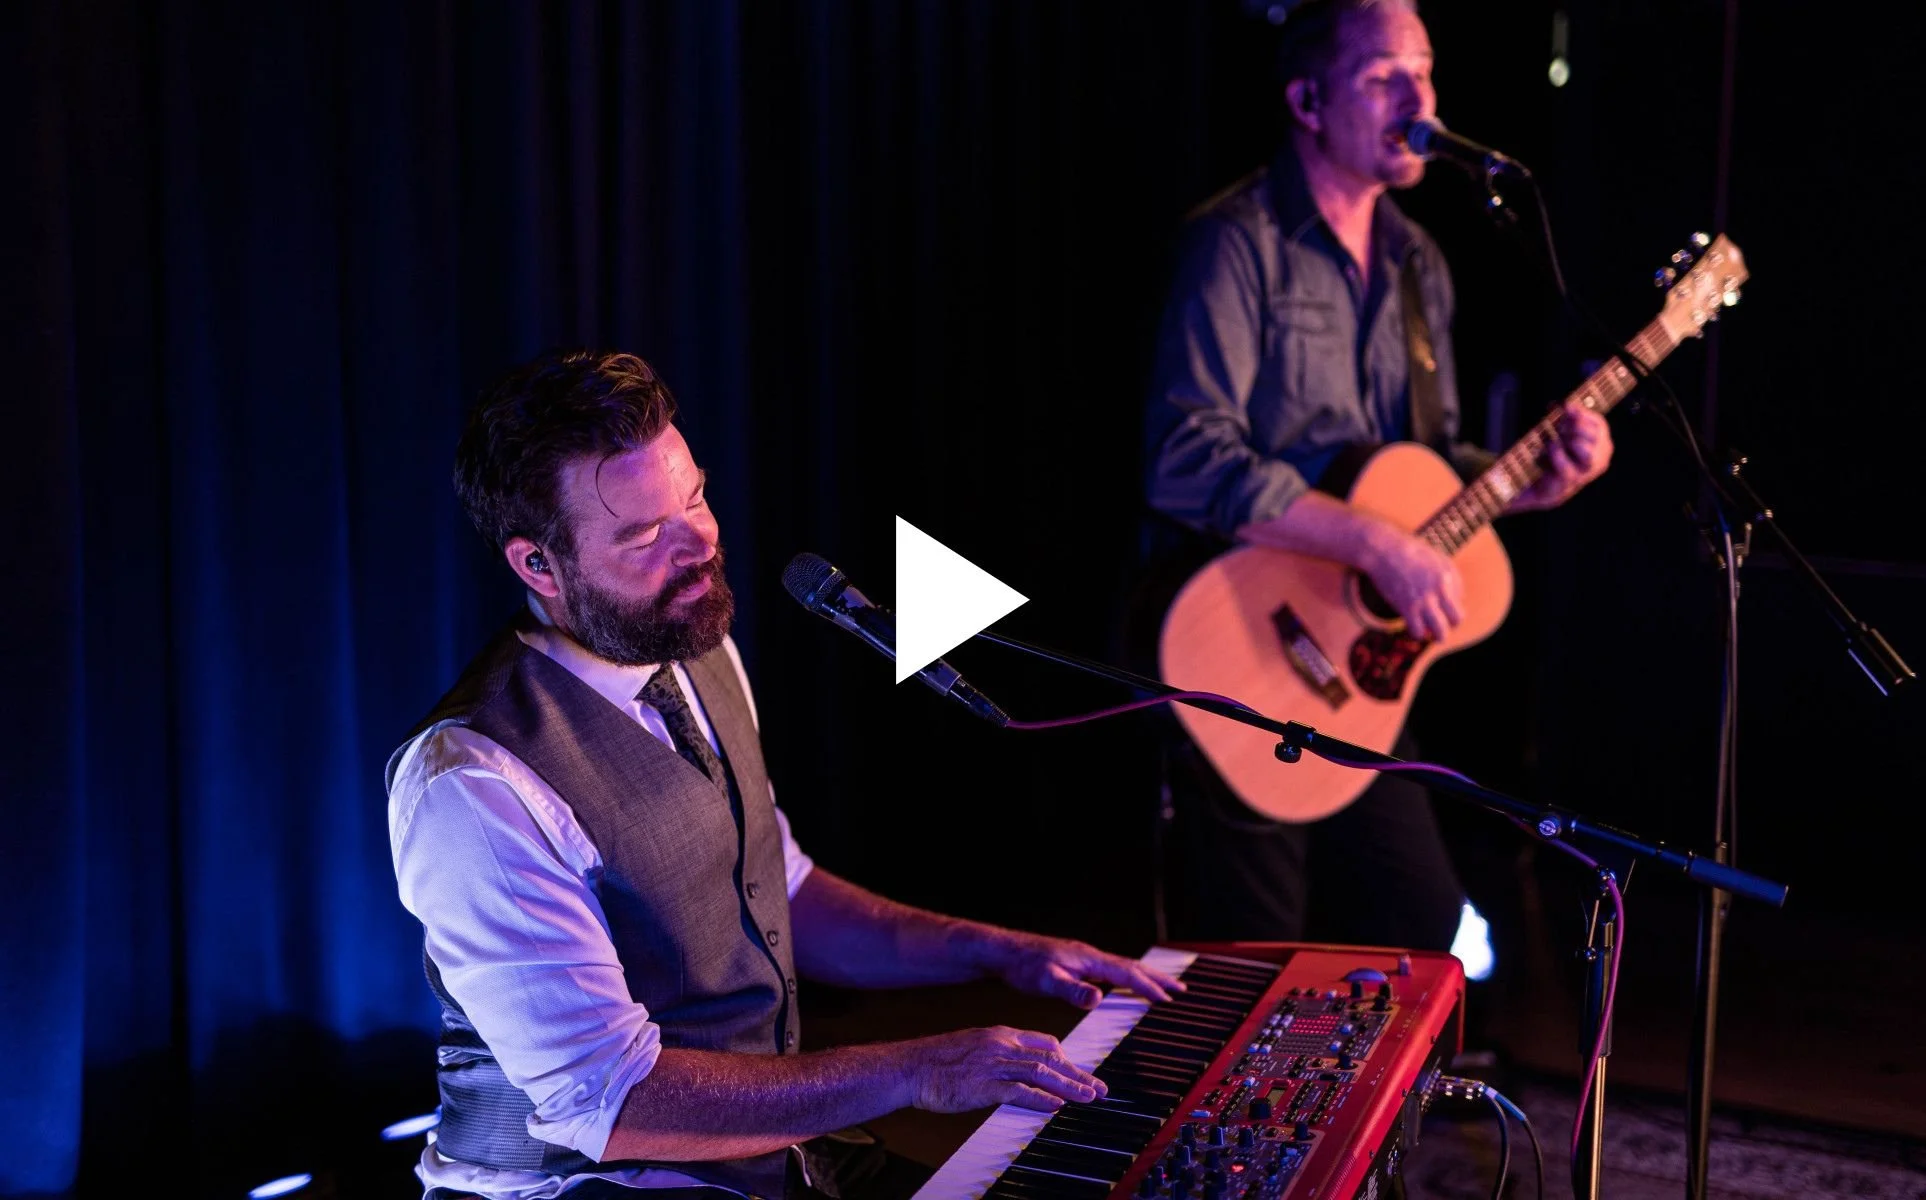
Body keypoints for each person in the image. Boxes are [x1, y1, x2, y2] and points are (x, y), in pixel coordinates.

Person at [387, 348, 1181, 1200]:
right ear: (537, 565)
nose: (700, 542)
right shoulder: (471, 782)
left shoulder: (694, 647)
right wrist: (917, 1069)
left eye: (695, 498)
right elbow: (609, 1100)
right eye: (645, 534)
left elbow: (777, 893)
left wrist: (995, 952)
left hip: (772, 1156)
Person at [1139, 0, 1612, 952]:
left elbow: (1424, 467)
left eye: (1425, 71)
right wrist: (1372, 544)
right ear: (1308, 101)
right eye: (1383, 76)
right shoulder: (1237, 242)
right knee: (1251, 959)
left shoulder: (1418, 263)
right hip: (1243, 644)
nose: (1418, 100)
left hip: (1352, 672)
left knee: (1420, 929)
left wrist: (1529, 482)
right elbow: (1184, 457)